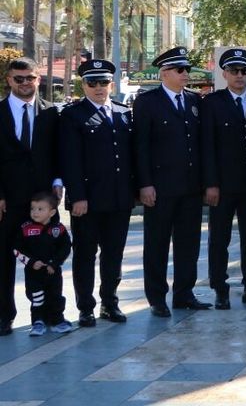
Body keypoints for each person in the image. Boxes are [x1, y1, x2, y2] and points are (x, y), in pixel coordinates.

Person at [134, 47, 211, 316]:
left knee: (189, 243)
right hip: (160, 187)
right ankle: (157, 297)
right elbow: (141, 147)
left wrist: (205, 182)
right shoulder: (147, 102)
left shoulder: (194, 100)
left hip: (190, 187)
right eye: (180, 70)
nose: (185, 74)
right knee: (157, 244)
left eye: (186, 69)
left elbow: (200, 145)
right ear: (164, 73)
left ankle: (184, 293)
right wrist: (145, 184)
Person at [60, 59, 132, 327]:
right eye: (92, 83)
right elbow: (70, 160)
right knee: (85, 255)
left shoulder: (124, 113)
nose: (99, 87)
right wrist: (77, 196)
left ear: (111, 84)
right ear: (84, 85)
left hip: (119, 198)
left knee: (114, 254)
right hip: (88, 200)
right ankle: (85, 307)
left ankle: (109, 303)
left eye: (104, 82)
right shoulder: (72, 115)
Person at [201, 48, 246, 310]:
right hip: (223, 184)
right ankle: (220, 288)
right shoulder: (212, 103)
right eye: (234, 71)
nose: (240, 75)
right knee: (220, 239)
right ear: (225, 74)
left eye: (244, 71)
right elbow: (207, 146)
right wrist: (210, 183)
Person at [0, 57, 59, 336]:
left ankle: (47, 314)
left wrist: (58, 182)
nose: (25, 83)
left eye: (30, 78)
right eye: (19, 78)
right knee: (3, 259)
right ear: (9, 80)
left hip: (43, 200)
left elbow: (58, 152)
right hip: (7, 200)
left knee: (45, 258)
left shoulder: (51, 112)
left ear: (39, 79)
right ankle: (4, 315)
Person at [15, 192, 73, 335]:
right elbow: (17, 249)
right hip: (33, 273)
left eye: (40, 209)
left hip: (53, 272)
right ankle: (37, 322)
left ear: (52, 212)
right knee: (37, 298)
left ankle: (57, 320)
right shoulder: (25, 229)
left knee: (56, 296)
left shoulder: (58, 229)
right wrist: (31, 262)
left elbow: (66, 247)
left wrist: (55, 263)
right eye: (32, 208)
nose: (35, 212)